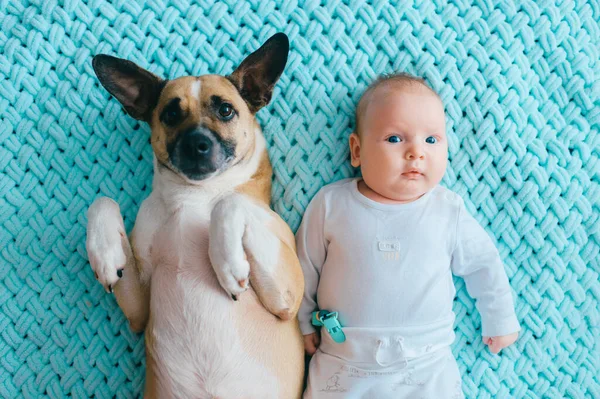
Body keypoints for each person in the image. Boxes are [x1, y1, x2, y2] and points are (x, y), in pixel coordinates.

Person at [296, 73, 520, 398]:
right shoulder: (332, 205)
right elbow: (303, 268)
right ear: (356, 151)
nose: (416, 152)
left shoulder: (448, 210)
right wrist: (302, 323)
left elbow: (484, 265)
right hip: (344, 363)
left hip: (426, 365)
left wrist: (500, 319)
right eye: (394, 139)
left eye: (431, 140)